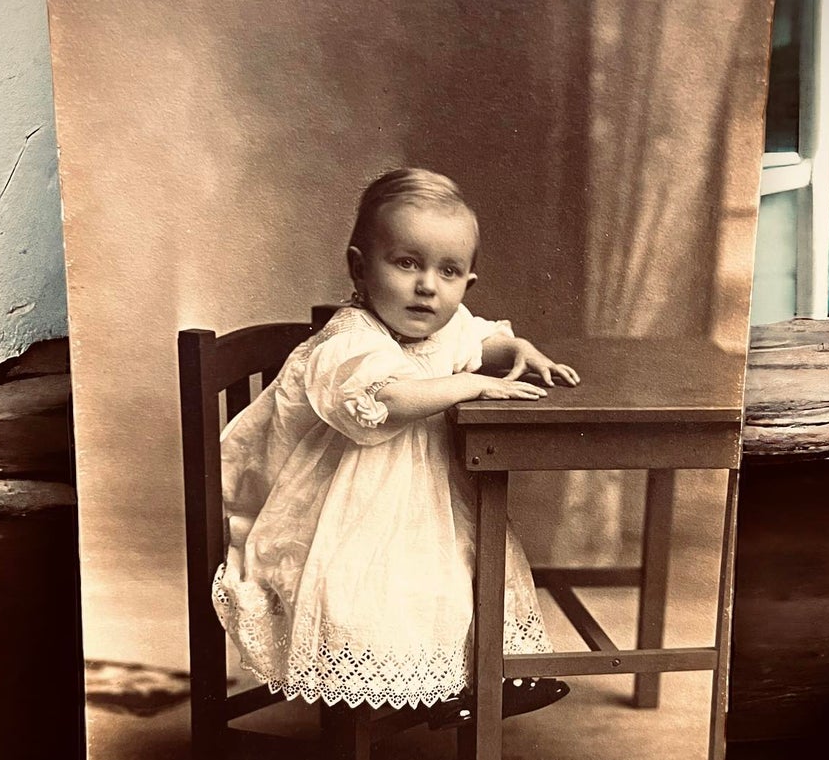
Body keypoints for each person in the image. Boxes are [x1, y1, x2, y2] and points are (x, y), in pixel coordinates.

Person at [212, 167, 579, 728]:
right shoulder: (348, 340)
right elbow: (393, 397)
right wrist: (476, 384)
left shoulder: (442, 326)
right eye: (406, 263)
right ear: (360, 267)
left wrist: (516, 347)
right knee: (371, 585)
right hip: (344, 511)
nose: (427, 286)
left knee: (471, 566)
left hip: (426, 504)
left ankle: (467, 683)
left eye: (448, 271)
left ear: (466, 285)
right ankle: (400, 686)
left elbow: (478, 335)